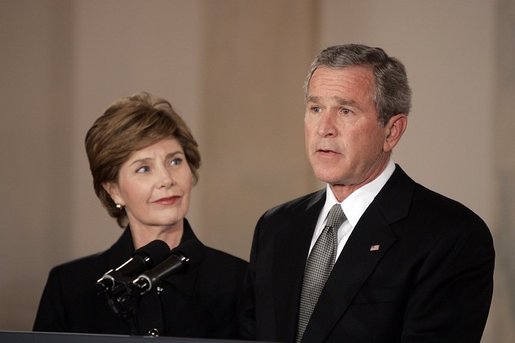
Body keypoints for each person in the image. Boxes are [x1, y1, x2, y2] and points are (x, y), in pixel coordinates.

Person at [238, 44, 495, 342]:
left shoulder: (451, 236)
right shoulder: (276, 226)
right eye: (316, 108)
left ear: (392, 131)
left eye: (345, 111)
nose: (324, 128)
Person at [33, 92, 247, 338]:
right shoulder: (71, 286)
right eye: (144, 168)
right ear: (113, 190)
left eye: (175, 161)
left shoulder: (238, 280)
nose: (166, 179)